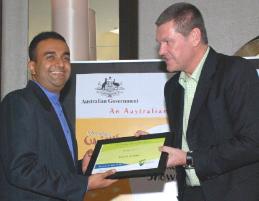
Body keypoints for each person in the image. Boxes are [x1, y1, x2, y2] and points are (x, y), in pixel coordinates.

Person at [139, 2, 259, 201]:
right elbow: (191, 139)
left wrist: (189, 159)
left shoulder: (235, 72)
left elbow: (254, 141)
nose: (161, 51)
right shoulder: (173, 88)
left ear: (194, 36)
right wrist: (153, 146)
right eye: (159, 43)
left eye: (168, 42)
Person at [0, 31, 117, 201]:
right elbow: (21, 169)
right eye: (50, 57)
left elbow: (52, 166)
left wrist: (80, 168)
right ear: (32, 66)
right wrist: (83, 184)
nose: (60, 64)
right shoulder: (19, 102)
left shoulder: (58, 107)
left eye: (65, 58)